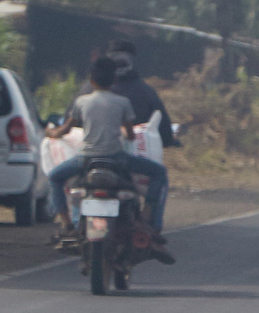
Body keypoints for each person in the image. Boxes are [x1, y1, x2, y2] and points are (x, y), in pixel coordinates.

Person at [46, 56, 175, 263]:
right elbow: (132, 136)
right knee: (160, 172)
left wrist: (51, 133)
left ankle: (66, 224)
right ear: (114, 80)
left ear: (92, 80)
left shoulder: (81, 102)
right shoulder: (123, 102)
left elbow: (66, 130)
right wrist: (121, 130)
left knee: (54, 177)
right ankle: (150, 219)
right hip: (117, 160)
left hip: (86, 161)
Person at [102, 39, 176, 237]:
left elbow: (68, 125)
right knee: (159, 175)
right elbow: (162, 126)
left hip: (88, 160)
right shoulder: (144, 92)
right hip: (123, 160)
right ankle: (152, 225)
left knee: (74, 183)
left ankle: (74, 222)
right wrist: (169, 140)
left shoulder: (86, 94)